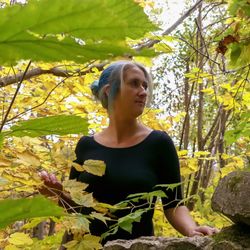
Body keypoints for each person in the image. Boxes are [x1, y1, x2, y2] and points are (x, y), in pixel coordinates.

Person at [39, 61, 218, 245]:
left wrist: (191, 229)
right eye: (134, 83)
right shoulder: (85, 146)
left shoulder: (159, 144)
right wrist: (57, 194)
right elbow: (76, 209)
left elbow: (173, 205)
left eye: (145, 86)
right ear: (109, 90)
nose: (143, 91)